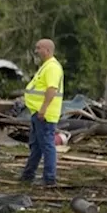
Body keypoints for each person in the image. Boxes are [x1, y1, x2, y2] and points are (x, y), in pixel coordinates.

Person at [19, 38, 64, 188]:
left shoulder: (52, 67)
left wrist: (43, 109)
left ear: (47, 50)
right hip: (38, 113)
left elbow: (52, 90)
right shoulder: (46, 66)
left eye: (39, 48)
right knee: (37, 146)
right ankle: (28, 175)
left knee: (47, 145)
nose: (36, 51)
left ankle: (49, 178)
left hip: (44, 114)